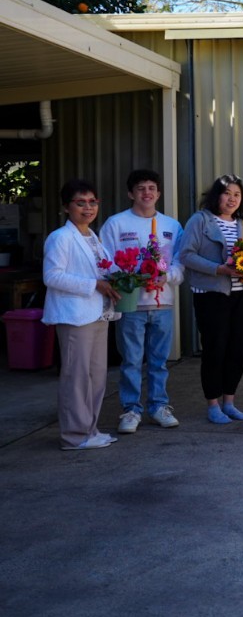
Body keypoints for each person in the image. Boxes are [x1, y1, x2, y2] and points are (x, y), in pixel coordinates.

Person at [100, 168, 184, 432]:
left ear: (158, 193)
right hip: (131, 304)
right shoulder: (116, 224)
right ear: (130, 193)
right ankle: (130, 410)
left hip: (163, 303)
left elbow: (181, 263)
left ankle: (159, 406)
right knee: (132, 360)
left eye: (151, 188)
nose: (146, 193)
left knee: (159, 361)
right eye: (140, 188)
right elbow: (104, 261)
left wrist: (167, 275)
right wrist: (129, 277)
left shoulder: (172, 225)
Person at [43, 179, 120, 450]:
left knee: (96, 375)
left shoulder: (93, 236)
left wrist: (124, 277)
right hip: (75, 316)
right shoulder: (60, 238)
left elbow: (105, 269)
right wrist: (94, 285)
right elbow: (52, 276)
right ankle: (74, 435)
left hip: (98, 314)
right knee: (76, 377)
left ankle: (90, 429)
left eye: (92, 202)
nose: (88, 207)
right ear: (67, 207)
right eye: (80, 202)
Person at [179, 174, 243, 424]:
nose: (232, 199)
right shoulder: (200, 220)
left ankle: (229, 402)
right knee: (215, 349)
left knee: (237, 349)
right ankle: (213, 405)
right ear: (216, 195)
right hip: (211, 296)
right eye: (227, 193)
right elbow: (186, 255)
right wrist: (218, 269)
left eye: (237, 194)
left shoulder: (242, 224)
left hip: (240, 295)